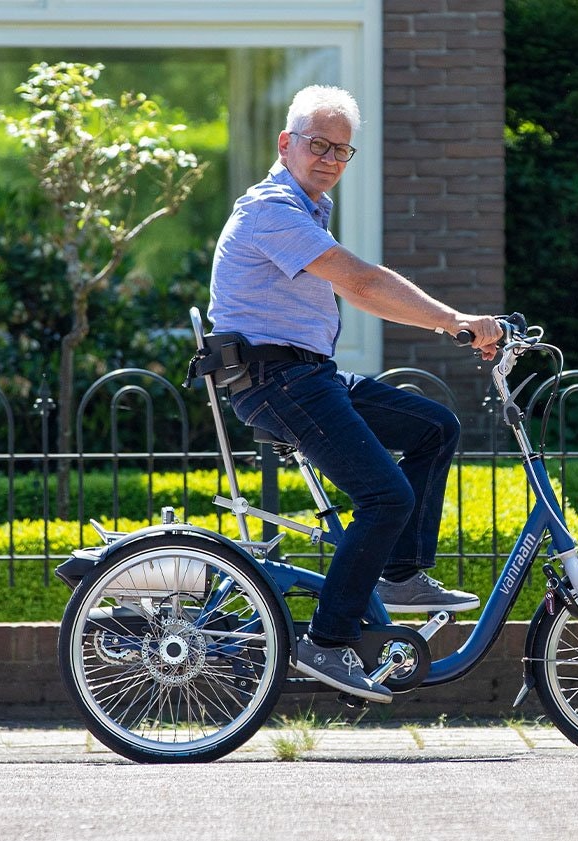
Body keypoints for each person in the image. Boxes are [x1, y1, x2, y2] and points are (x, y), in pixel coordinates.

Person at [208, 85, 503, 703]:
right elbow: (362, 283)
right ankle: (327, 641)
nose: (330, 160)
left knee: (435, 427)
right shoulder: (271, 210)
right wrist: (456, 321)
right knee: (384, 495)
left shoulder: (307, 208)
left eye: (342, 151)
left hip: (306, 376)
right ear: (286, 144)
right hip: (277, 380)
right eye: (318, 145)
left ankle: (399, 576)